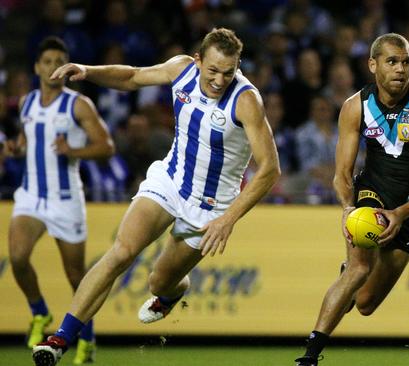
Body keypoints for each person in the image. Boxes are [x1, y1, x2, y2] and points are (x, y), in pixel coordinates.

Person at [32, 28, 280, 366]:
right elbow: (132, 77)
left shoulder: (247, 100)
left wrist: (227, 220)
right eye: (213, 70)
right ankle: (60, 338)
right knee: (121, 252)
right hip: (169, 180)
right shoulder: (181, 69)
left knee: (158, 281)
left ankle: (170, 293)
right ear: (198, 61)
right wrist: (88, 71)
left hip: (210, 206)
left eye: (229, 71)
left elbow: (269, 169)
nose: (220, 80)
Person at [294, 33, 409, 366]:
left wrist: (401, 213)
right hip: (371, 195)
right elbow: (342, 174)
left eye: (406, 61)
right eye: (392, 61)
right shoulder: (355, 107)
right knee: (357, 270)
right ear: (373, 65)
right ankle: (310, 355)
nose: (400, 69)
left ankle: (351, 276)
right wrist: (347, 208)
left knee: (365, 303)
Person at [6, 36, 114, 364]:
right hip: (32, 196)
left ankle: (88, 338)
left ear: (66, 70)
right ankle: (39, 312)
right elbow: (27, 141)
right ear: (38, 67)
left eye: (59, 61)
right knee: (18, 257)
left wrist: (74, 152)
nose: (53, 66)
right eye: (48, 61)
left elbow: (107, 146)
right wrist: (16, 148)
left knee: (76, 278)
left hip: (66, 200)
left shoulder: (78, 105)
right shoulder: (26, 102)